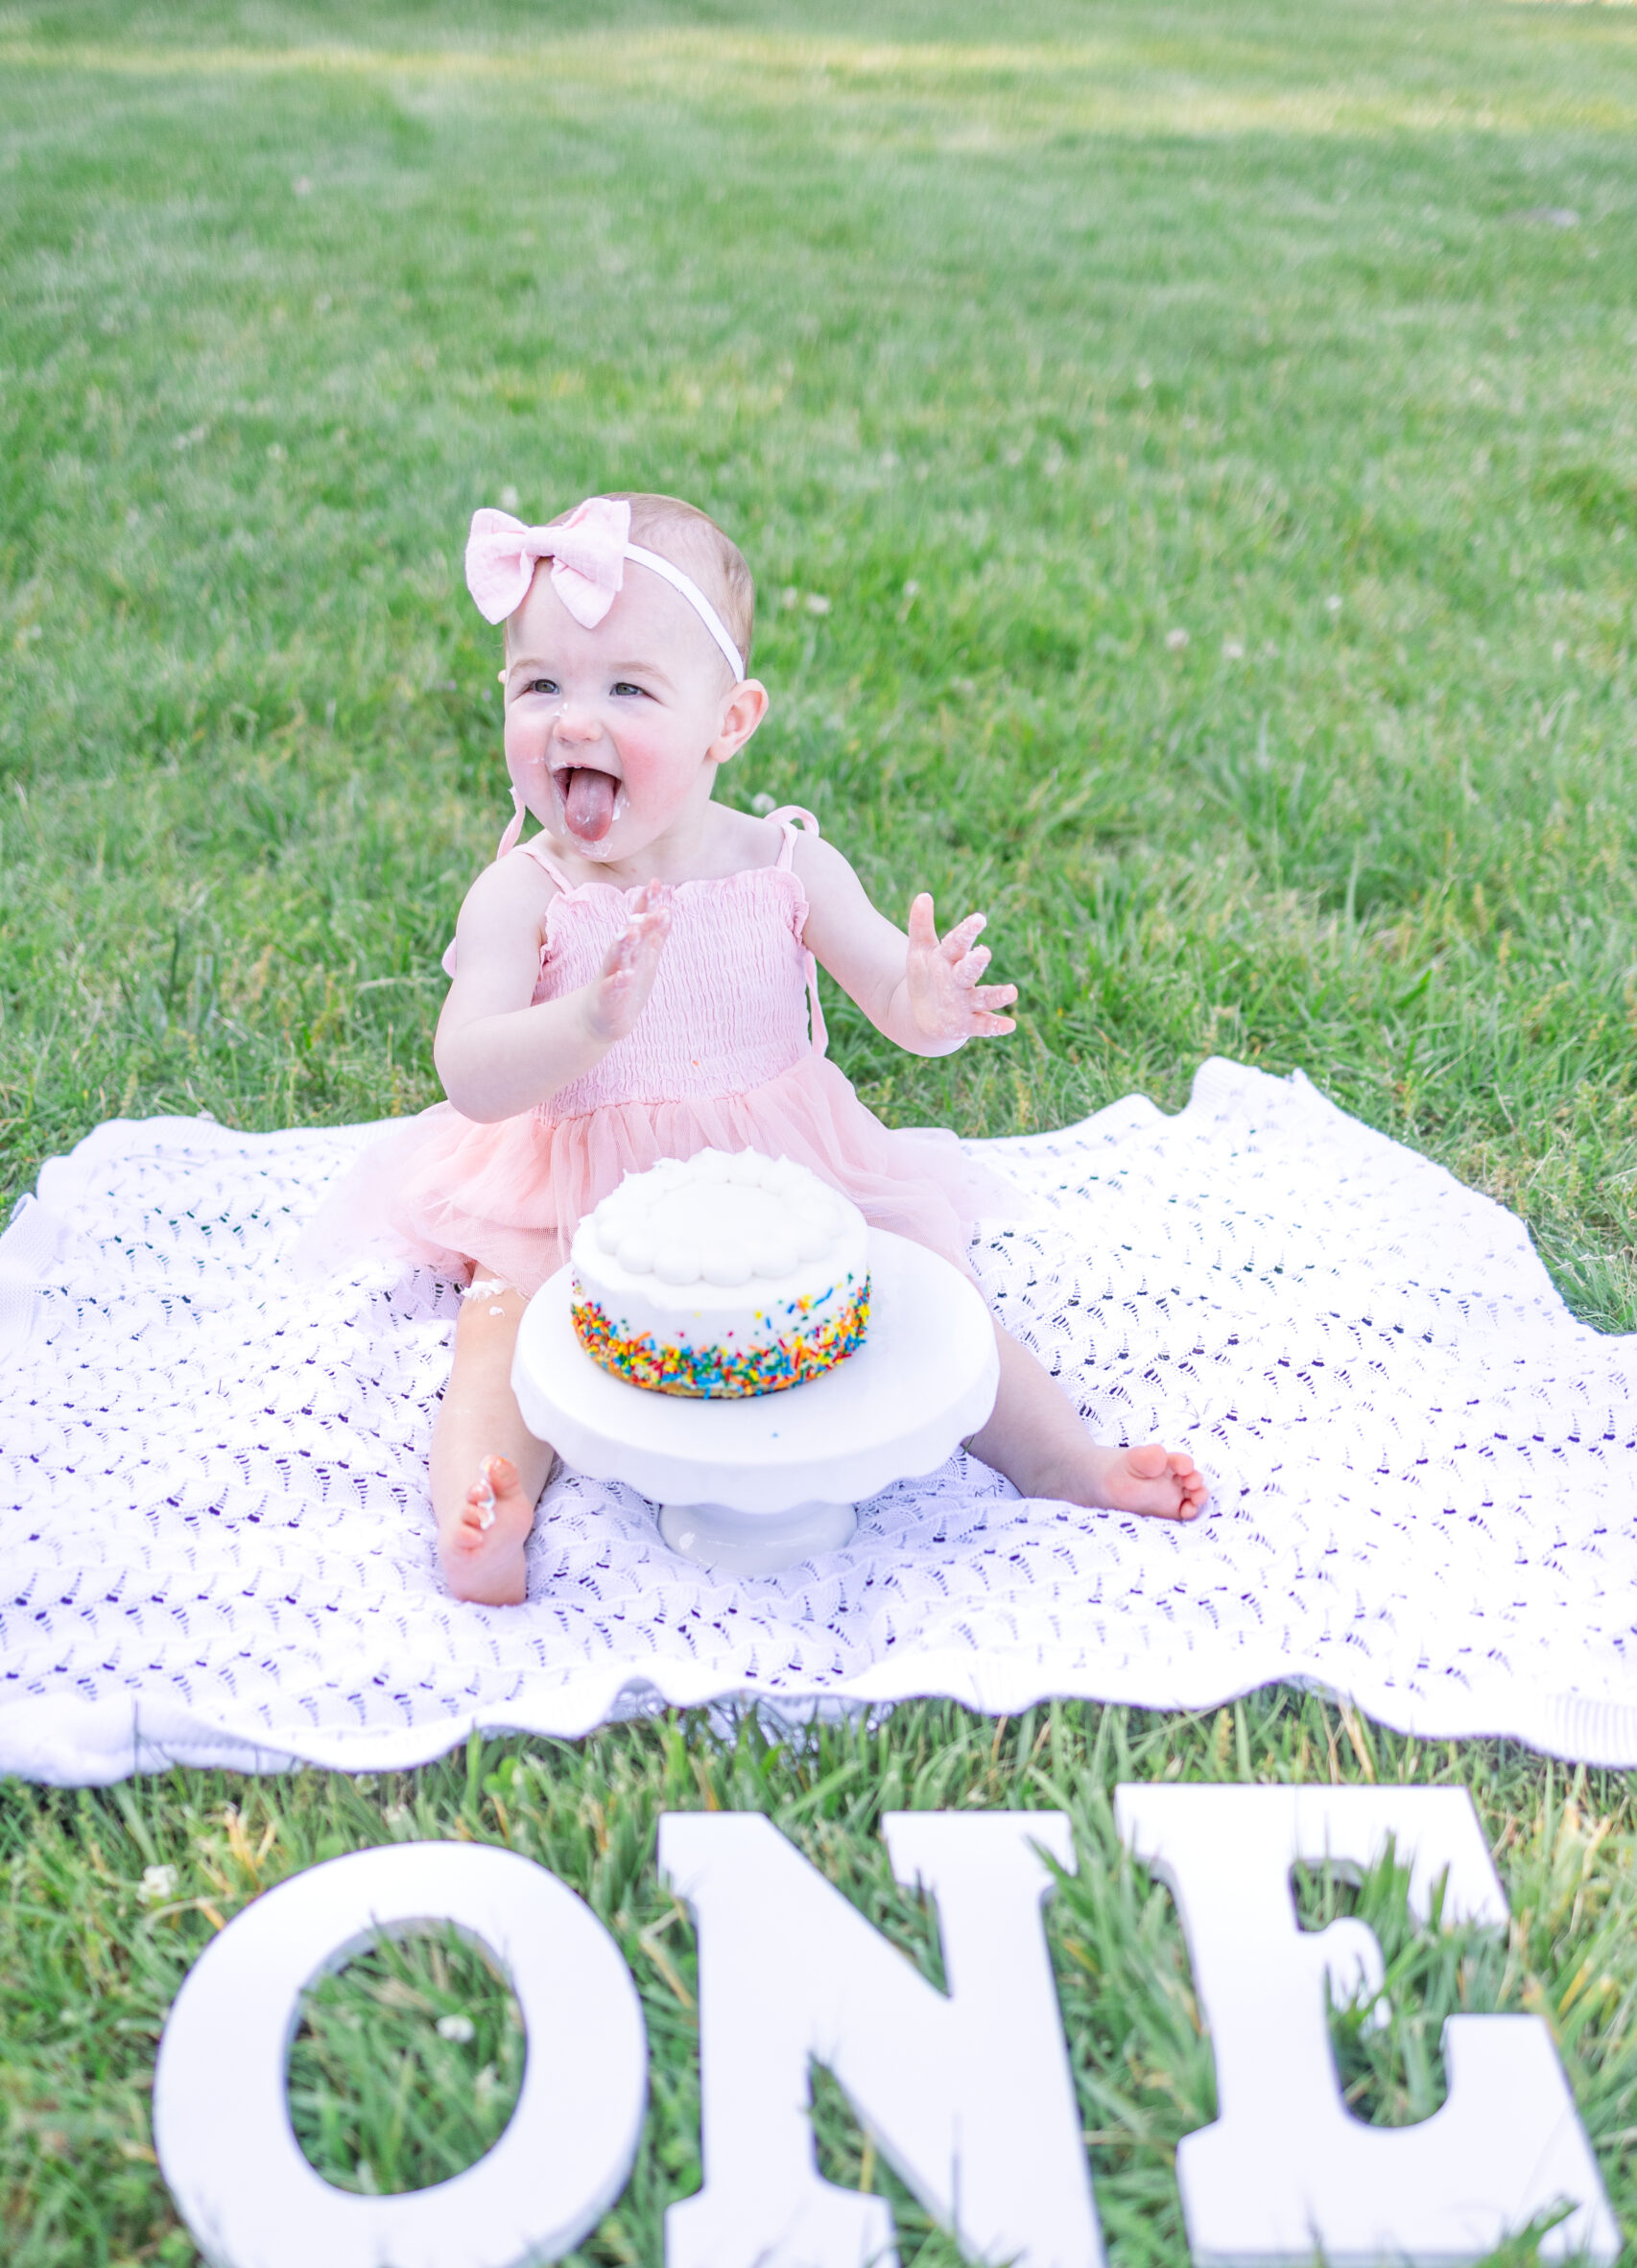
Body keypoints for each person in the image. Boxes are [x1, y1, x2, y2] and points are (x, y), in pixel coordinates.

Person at [303, 492, 1206, 1602]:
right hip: (579, 1184)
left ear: (726, 723)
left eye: (626, 688)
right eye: (540, 685)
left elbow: (884, 993)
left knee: (934, 1298)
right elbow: (470, 1073)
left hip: (789, 1175)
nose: (572, 723)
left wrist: (925, 1005)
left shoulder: (784, 864)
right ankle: (484, 1503)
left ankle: (1064, 1459)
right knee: (501, 1335)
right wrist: (583, 1023)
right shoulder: (522, 894)